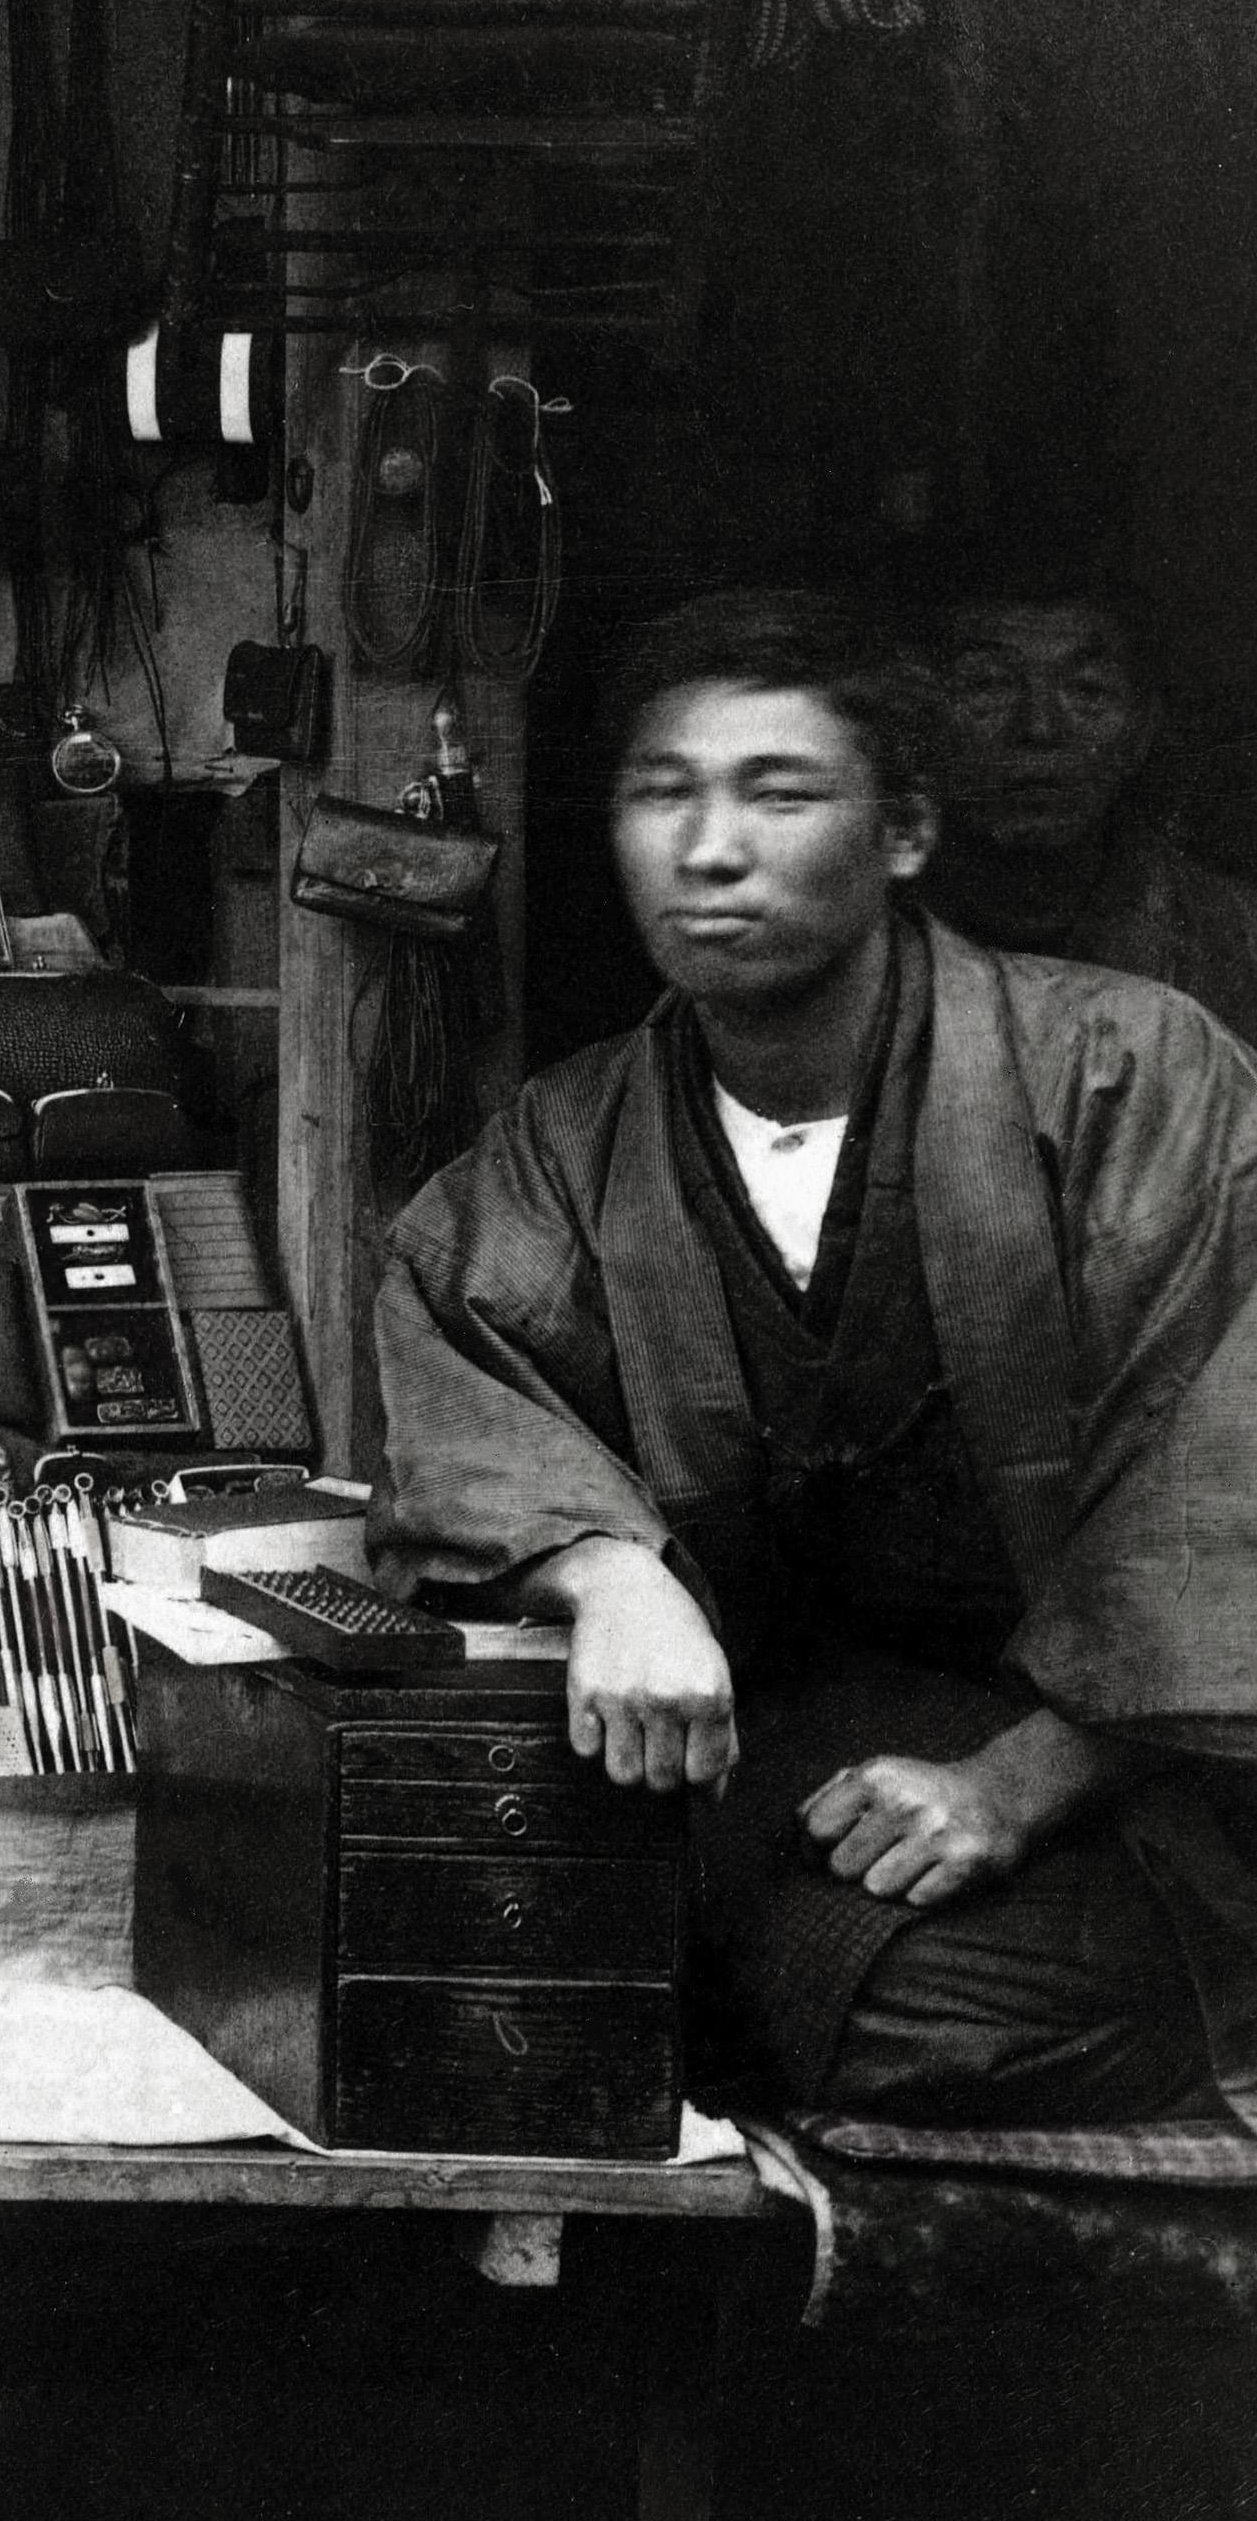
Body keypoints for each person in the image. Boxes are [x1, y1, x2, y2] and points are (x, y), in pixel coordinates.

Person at [375, 590, 1257, 2125]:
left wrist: (1018, 1785)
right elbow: (466, 1359)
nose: (709, 851)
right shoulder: (573, 1137)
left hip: (1125, 1767)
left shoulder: (1133, 1069)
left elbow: (1225, 1471)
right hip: (766, 1746)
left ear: (907, 829)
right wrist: (607, 1570)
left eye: (780, 793)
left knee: (927, 2012)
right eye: (665, 794)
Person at [917, 562, 1257, 1044]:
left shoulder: (1234, 938)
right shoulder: (859, 925)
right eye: (988, 685)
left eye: (1087, 690)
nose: (1039, 728)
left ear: (1141, 729)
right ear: (918, 721)